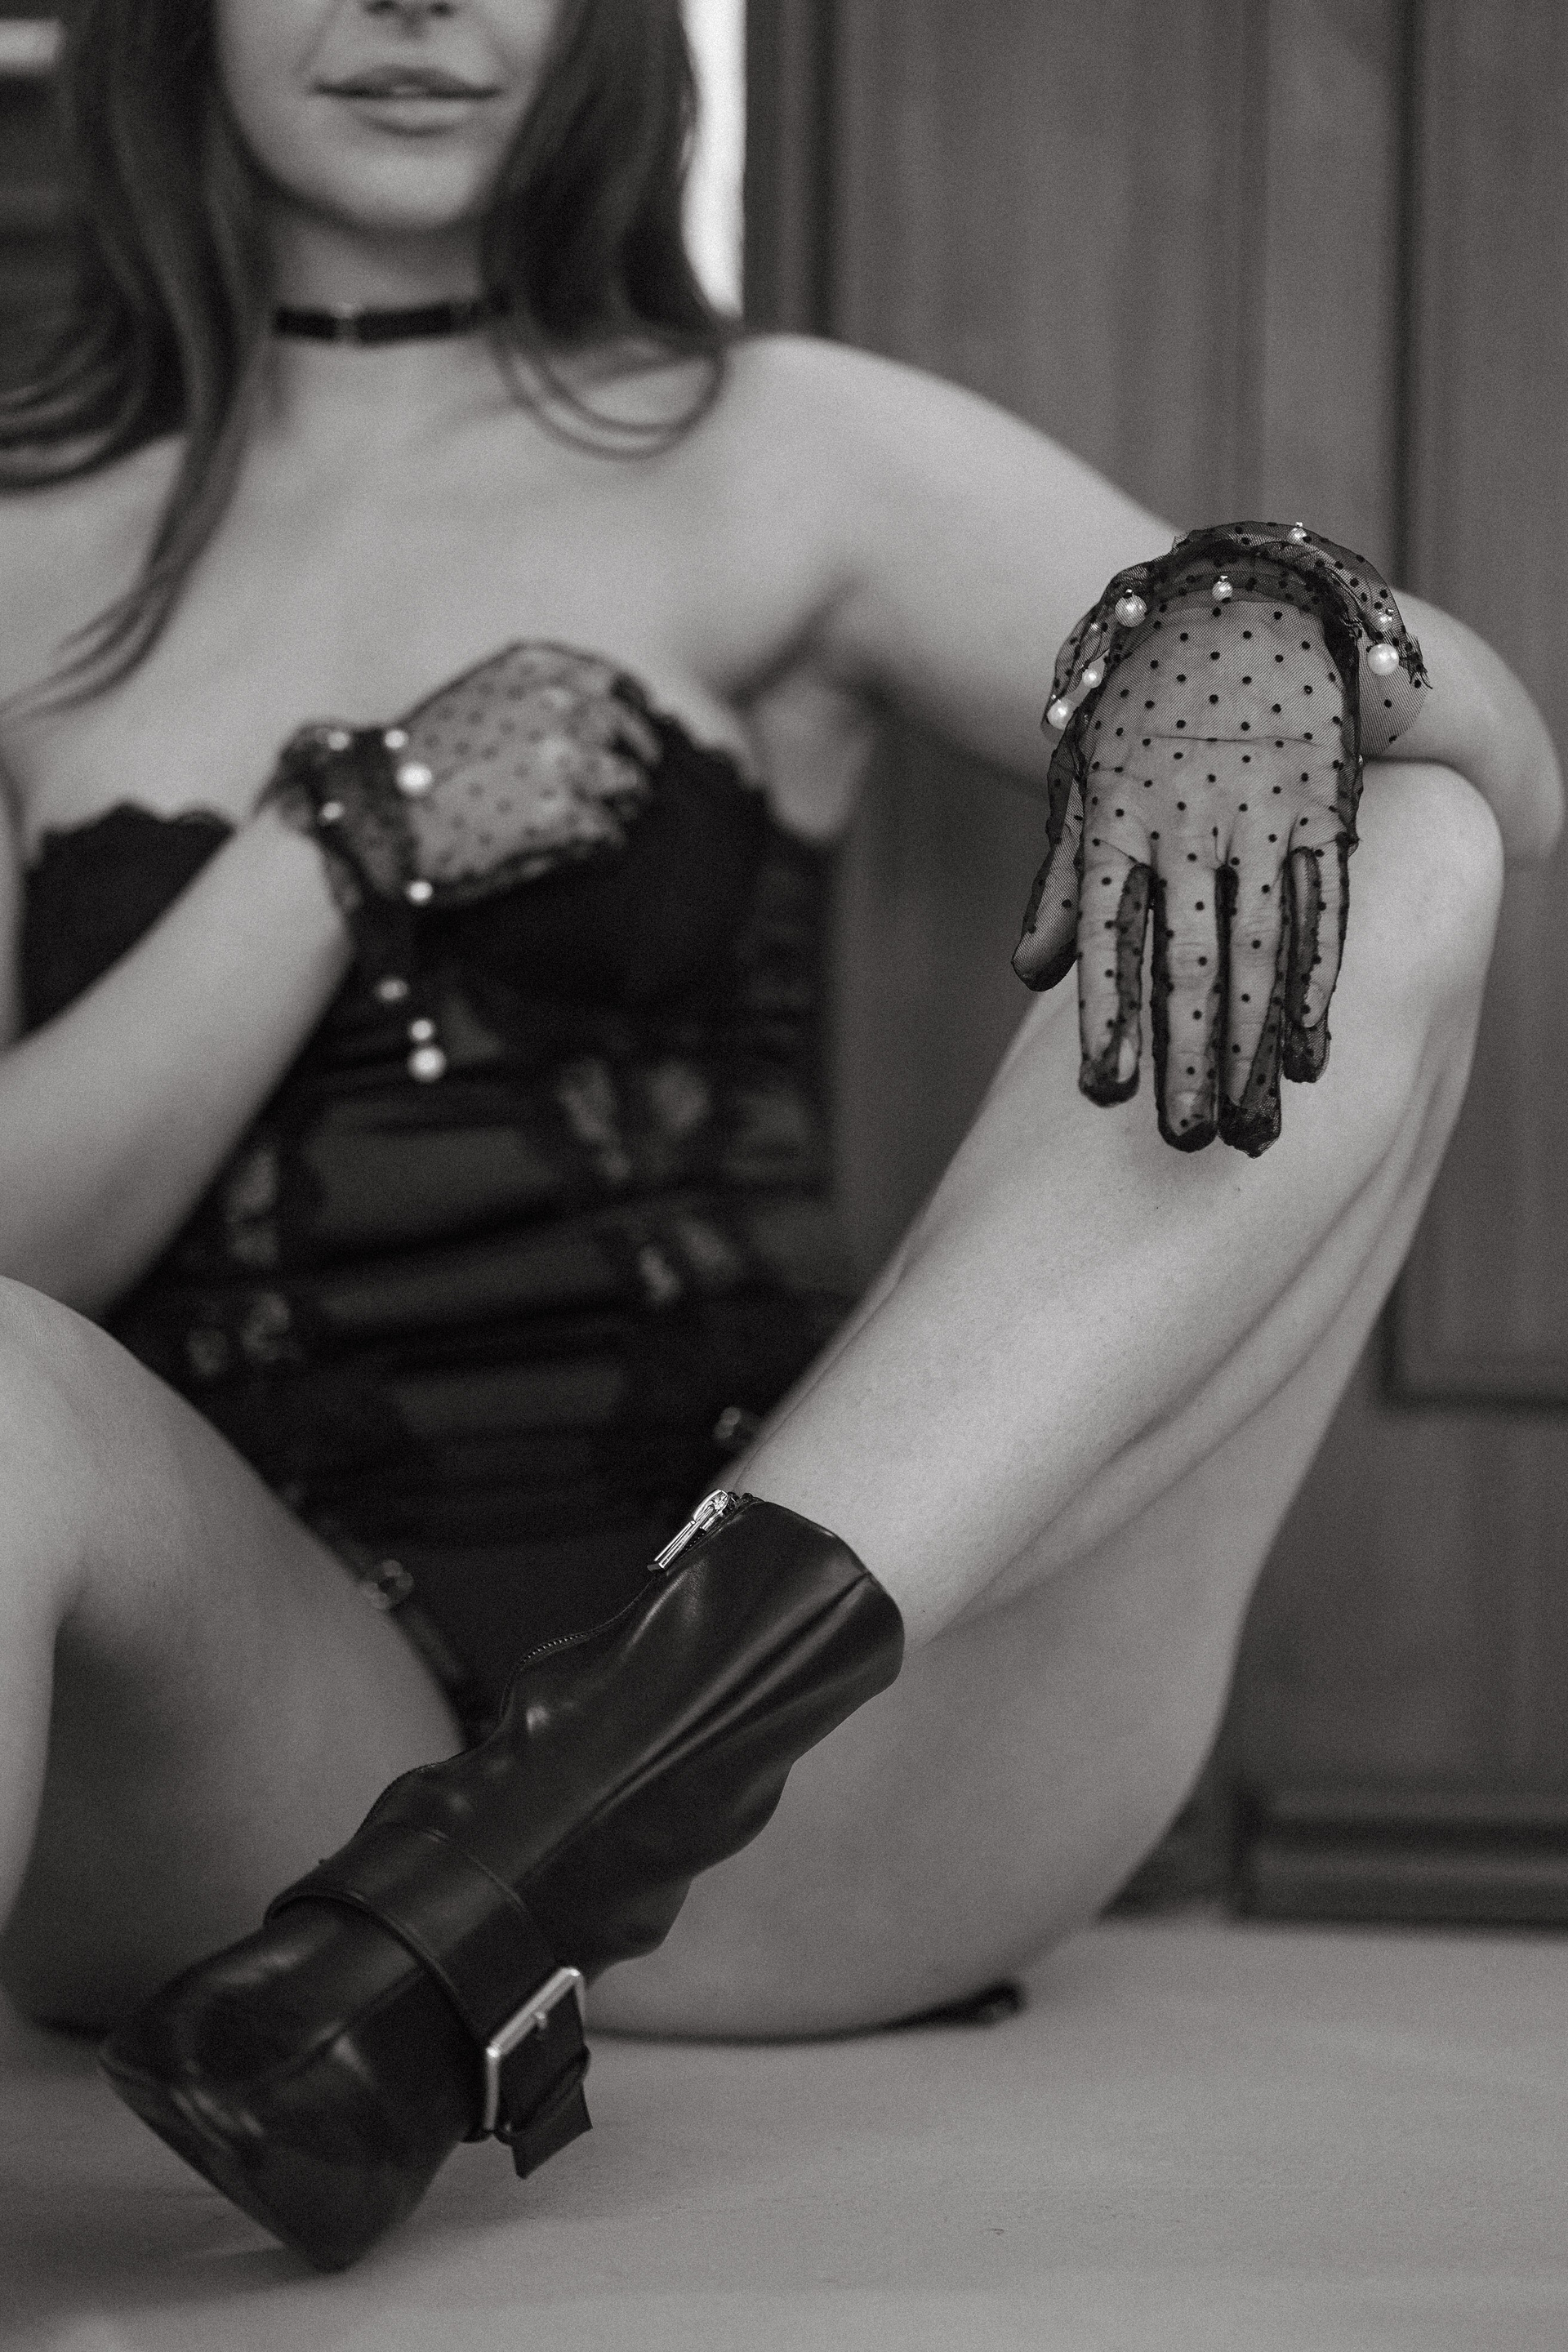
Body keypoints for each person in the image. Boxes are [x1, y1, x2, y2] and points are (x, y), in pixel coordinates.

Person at [0, 0, 1558, 2269]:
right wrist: (342, 845)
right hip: (264, 1773)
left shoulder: (778, 451)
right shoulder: (26, 549)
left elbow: (1512, 762)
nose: (418, 1)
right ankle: (441, 1905)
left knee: (1404, 832)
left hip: (804, 1781)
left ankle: (561, 1827)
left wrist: (1256, 631)